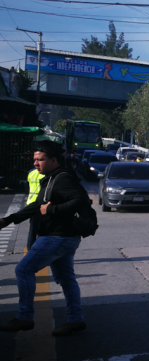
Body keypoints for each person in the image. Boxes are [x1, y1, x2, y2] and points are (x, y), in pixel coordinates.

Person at [0, 141, 87, 335]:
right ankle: (75, 320)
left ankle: (24, 317)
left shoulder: (62, 179)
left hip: (58, 237)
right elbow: (36, 206)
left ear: (54, 160)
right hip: (63, 237)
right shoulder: (49, 179)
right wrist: (8, 220)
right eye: (34, 160)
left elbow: (80, 201)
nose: (36, 164)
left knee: (23, 270)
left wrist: (52, 209)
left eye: (40, 160)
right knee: (66, 278)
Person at [26, 166, 45, 250]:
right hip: (41, 203)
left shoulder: (31, 172)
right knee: (43, 228)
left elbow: (28, 185)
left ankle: (30, 248)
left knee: (32, 229)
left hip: (31, 202)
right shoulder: (45, 174)